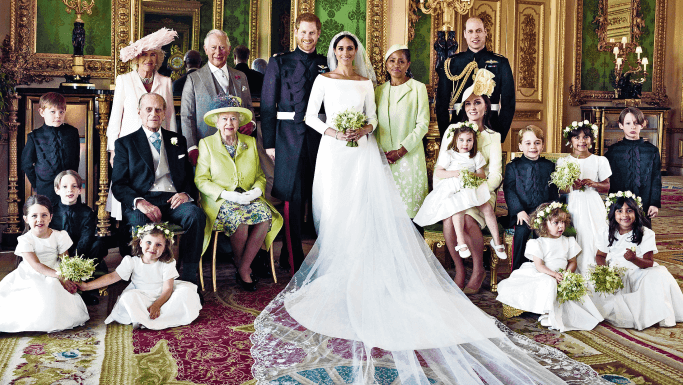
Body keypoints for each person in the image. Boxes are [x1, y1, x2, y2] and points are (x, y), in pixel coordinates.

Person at [249, 31, 602, 385]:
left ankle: (395, 267)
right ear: (336, 51)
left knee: (373, 210)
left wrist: (368, 134)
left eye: (349, 48)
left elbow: (377, 119)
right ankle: (343, 263)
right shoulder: (329, 79)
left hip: (373, 155)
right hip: (336, 152)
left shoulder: (371, 83)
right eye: (340, 48)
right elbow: (312, 116)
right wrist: (338, 133)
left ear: (357, 52)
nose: (345, 52)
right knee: (335, 208)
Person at [111, 93, 206, 286]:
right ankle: (142, 279)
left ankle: (188, 277)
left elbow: (188, 177)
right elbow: (119, 185)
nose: (153, 113)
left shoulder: (178, 140)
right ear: (139, 112)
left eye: (158, 109)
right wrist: (140, 203)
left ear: (164, 114)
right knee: (137, 221)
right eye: (148, 109)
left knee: (195, 215)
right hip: (143, 199)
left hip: (173, 200)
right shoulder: (125, 143)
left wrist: (185, 194)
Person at [261, 13, 329, 273]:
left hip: (319, 138)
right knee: (293, 197)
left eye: (312, 33)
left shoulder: (326, 63)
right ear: (296, 32)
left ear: (319, 34)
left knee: (318, 197)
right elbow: (268, 105)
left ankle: (318, 256)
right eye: (303, 32)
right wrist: (270, 143)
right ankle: (292, 257)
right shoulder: (280, 62)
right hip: (287, 137)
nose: (308, 38)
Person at [194, 95, 283, 291]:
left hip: (248, 197)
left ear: (239, 121)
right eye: (224, 119)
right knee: (239, 220)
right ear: (217, 122)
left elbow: (260, 175)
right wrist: (227, 195)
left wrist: (256, 191)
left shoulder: (249, 142)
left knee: (265, 217)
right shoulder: (207, 144)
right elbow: (200, 180)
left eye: (233, 118)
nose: (229, 123)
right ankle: (241, 264)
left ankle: (243, 265)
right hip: (220, 200)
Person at [440, 68, 504, 293]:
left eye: (477, 103)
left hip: (481, 193)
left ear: (485, 106)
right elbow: (443, 166)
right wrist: (452, 188)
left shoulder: (493, 137)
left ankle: (478, 269)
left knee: (467, 219)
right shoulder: (452, 131)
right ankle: (460, 269)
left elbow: (495, 174)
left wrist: (479, 191)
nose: (472, 108)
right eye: (467, 104)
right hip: (455, 189)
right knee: (450, 220)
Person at [106, 27, 179, 221]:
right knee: (128, 188)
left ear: (158, 58)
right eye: (144, 54)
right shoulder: (124, 80)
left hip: (158, 141)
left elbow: (170, 117)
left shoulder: (165, 82)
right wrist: (113, 149)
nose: (149, 59)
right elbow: (115, 117)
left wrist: (174, 146)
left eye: (153, 54)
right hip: (129, 147)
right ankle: (128, 233)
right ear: (137, 57)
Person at [496, 202, 604, 332]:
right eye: (556, 223)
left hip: (562, 274)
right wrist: (554, 275)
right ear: (544, 225)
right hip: (544, 273)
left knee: (579, 286)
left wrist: (567, 274)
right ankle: (547, 311)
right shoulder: (537, 243)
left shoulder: (568, 241)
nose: (561, 226)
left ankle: (569, 313)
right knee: (549, 282)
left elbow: (572, 261)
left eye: (563, 222)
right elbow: (539, 266)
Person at [78, 223, 202, 329]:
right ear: (141, 243)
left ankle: (154, 317)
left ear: (165, 248)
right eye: (149, 242)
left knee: (186, 292)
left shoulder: (167, 263)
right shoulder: (131, 261)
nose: (152, 248)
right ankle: (144, 318)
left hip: (163, 295)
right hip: (141, 295)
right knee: (128, 297)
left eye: (159, 245)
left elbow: (168, 288)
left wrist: (157, 304)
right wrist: (86, 286)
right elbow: (112, 277)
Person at [414, 123, 507, 262]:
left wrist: (470, 175)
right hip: (453, 188)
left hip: (470, 187)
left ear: (474, 141)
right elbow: (439, 172)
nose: (465, 144)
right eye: (461, 140)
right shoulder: (449, 154)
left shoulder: (476, 156)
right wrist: (455, 173)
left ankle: (497, 242)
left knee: (487, 208)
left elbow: (481, 175)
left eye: (469, 140)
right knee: (457, 208)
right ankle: (461, 242)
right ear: (455, 140)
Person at [591, 194, 683, 330]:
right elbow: (600, 255)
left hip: (639, 270)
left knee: (658, 275)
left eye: (629, 211)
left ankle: (660, 315)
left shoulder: (645, 233)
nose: (624, 215)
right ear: (613, 214)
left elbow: (649, 262)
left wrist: (634, 259)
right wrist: (605, 271)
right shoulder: (607, 232)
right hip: (617, 271)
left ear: (636, 212)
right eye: (619, 211)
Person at [0, 195, 89, 332]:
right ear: (26, 219)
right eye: (34, 216)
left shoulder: (59, 236)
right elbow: (36, 265)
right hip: (31, 275)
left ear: (50, 217)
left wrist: (67, 277)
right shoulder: (25, 240)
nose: (39, 220)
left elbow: (65, 260)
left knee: (53, 286)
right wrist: (59, 276)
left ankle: (54, 319)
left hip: (55, 272)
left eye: (44, 215)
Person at [435, 17, 515, 142]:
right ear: (465, 34)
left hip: (490, 127)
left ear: (485, 32)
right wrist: (447, 135)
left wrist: (499, 135)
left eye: (478, 31)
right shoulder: (452, 63)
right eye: (471, 31)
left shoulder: (500, 62)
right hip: (458, 128)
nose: (475, 36)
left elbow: (508, 103)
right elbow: (441, 103)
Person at [181, 29, 254, 166]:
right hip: (206, 150)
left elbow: (249, 107)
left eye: (222, 47)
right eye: (213, 47)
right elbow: (187, 116)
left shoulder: (241, 77)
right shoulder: (193, 79)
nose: (218, 52)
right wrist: (192, 147)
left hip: (239, 150)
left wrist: (252, 123)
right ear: (206, 49)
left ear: (229, 49)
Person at [374, 44, 429, 220]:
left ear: (408, 64)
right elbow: (374, 123)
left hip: (409, 156)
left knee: (409, 211)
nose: (396, 65)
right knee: (386, 210)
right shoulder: (378, 90)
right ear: (386, 64)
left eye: (401, 61)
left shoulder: (418, 88)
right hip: (384, 157)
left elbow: (423, 124)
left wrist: (401, 151)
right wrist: (380, 153)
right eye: (392, 60)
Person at [557, 122, 611, 274]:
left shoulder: (600, 160)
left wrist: (594, 183)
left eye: (586, 137)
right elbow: (560, 188)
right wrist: (571, 186)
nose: (582, 141)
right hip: (573, 202)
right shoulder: (564, 161)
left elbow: (606, 186)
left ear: (591, 140)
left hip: (592, 202)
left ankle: (596, 266)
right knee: (578, 231)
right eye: (577, 137)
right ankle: (574, 268)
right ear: (570, 140)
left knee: (593, 233)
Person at [504, 125, 559, 270]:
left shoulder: (549, 166)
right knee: (522, 232)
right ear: (520, 146)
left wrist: (553, 210)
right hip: (522, 213)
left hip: (543, 212)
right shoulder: (513, 167)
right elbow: (509, 190)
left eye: (537, 142)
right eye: (528, 143)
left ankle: (541, 270)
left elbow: (553, 191)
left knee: (541, 233)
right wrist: (518, 210)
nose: (532, 147)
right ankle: (517, 270)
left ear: (542, 145)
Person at [51, 170, 107, 306]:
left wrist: (74, 261)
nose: (69, 190)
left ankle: (83, 289)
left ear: (80, 190)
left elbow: (85, 239)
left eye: (74, 186)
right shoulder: (51, 212)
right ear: (57, 190)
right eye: (64, 187)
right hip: (57, 252)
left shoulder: (87, 212)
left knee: (99, 243)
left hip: (80, 254)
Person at [21, 92, 80, 205]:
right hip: (46, 188)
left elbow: (76, 160)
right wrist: (37, 184)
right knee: (48, 217)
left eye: (61, 112)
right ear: (42, 112)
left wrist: (73, 181)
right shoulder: (35, 136)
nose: (58, 115)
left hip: (69, 188)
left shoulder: (72, 132)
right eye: (53, 112)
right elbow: (26, 164)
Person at [605, 107, 662, 218]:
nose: (632, 126)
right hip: (618, 203)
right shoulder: (613, 150)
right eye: (628, 123)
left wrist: (654, 203)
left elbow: (656, 179)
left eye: (636, 123)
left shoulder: (652, 150)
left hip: (644, 202)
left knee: (642, 232)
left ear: (643, 124)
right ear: (621, 125)